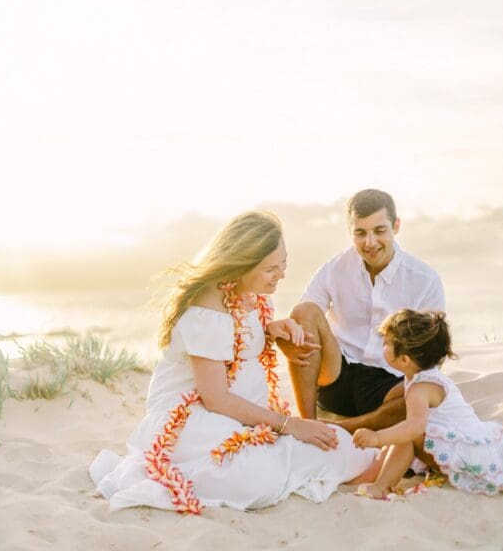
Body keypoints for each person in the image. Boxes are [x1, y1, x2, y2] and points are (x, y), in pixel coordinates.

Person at [89, 211, 375, 513]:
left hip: (245, 414)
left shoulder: (253, 292)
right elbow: (215, 396)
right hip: (195, 419)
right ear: (242, 265)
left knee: (344, 448)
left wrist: (271, 331)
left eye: (284, 263)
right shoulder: (207, 307)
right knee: (258, 477)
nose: (281, 274)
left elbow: (238, 339)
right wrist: (289, 424)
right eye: (270, 269)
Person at [278, 189, 445, 433]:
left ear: (396, 226)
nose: (370, 243)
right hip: (336, 375)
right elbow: (303, 319)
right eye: (360, 233)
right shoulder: (335, 268)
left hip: (388, 385)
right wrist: (286, 337)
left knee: (427, 392)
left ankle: (345, 429)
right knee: (304, 311)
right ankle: (308, 426)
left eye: (379, 231)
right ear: (351, 232)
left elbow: (432, 356)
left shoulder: (425, 280)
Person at [351, 309, 503, 499]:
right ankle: (376, 471)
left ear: (404, 359)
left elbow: (414, 428)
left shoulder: (420, 388)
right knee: (401, 432)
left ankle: (382, 487)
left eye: (387, 343)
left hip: (462, 454)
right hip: (469, 443)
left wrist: (376, 437)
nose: (383, 344)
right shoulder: (428, 377)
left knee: (405, 436)